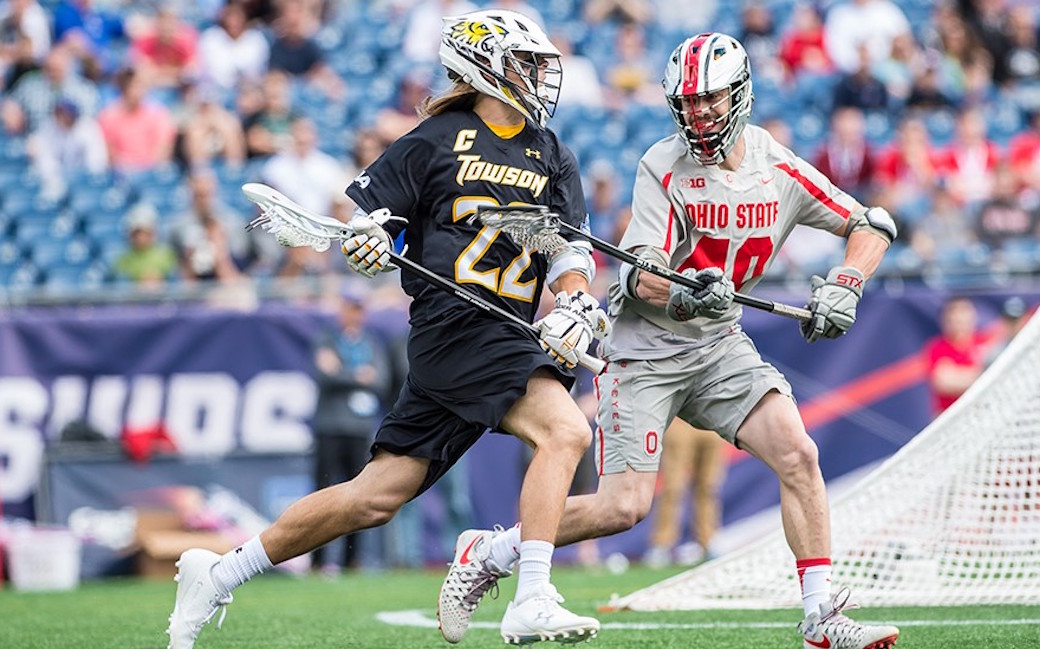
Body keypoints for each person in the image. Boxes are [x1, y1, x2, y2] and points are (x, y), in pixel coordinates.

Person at [444, 32, 903, 649]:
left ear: (739, 94)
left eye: (710, 100)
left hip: (719, 345)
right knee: (622, 507)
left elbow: (871, 223)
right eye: (687, 102)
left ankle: (822, 619)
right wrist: (683, 290)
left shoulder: (777, 165)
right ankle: (491, 550)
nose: (698, 113)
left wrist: (846, 284)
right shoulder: (662, 164)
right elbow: (637, 273)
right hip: (645, 350)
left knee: (799, 454)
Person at [166, 10, 606, 648]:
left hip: (506, 326)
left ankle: (220, 571)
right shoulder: (433, 140)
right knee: (566, 429)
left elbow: (566, 251)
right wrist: (368, 243)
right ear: (481, 67)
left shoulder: (551, 152)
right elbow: (364, 220)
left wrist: (572, 303)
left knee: (373, 497)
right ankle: (531, 595)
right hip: (455, 324)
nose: (536, 76)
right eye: (522, 62)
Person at [310, 282, 395, 574]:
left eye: (360, 308)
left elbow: (381, 381)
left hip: (360, 429)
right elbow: (326, 375)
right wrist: (359, 375)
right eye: (351, 307)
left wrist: (345, 373)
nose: (356, 314)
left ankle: (352, 560)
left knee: (359, 493)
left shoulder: (370, 342)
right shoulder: (327, 338)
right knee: (323, 491)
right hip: (331, 427)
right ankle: (319, 560)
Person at [641, 419, 727, 568]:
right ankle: (662, 544)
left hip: (713, 422)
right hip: (681, 421)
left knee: (709, 486)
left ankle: (708, 541)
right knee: (673, 487)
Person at [925, 296, 986, 416]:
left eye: (963, 311)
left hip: (980, 414)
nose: (958, 318)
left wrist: (959, 375)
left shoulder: (986, 344)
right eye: (954, 312)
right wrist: (981, 374)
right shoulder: (938, 347)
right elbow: (944, 383)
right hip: (948, 417)